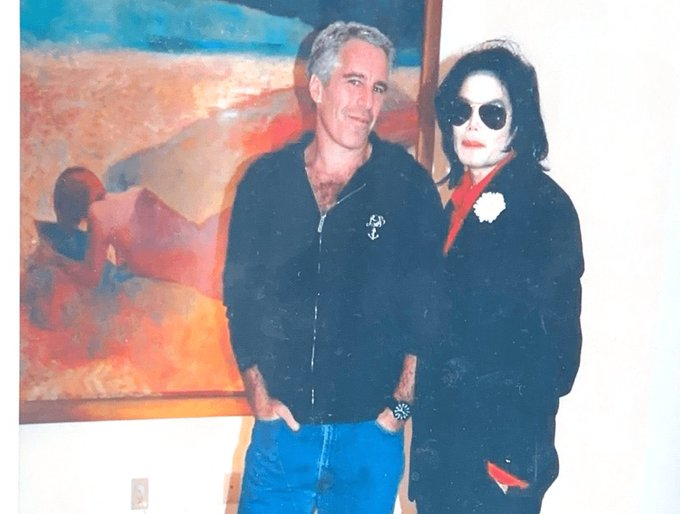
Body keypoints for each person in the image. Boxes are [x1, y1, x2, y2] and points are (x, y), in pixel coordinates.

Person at [222, 21, 443, 514]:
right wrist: (260, 397)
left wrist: (397, 411)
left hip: (368, 441)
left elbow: (427, 313)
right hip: (283, 438)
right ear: (318, 87)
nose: (367, 102)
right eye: (354, 81)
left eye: (378, 87)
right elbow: (240, 301)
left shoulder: (408, 187)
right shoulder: (264, 184)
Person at [409, 40, 584, 514]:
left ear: (518, 123)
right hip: (443, 457)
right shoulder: (453, 205)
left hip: (494, 469)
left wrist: (509, 462)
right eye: (461, 110)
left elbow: (558, 355)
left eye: (492, 114)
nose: (472, 125)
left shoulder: (544, 207)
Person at [22, 166, 229, 328]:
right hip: (204, 238)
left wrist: (54, 260)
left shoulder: (98, 214)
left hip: (197, 266)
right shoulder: (134, 193)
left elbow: (91, 276)